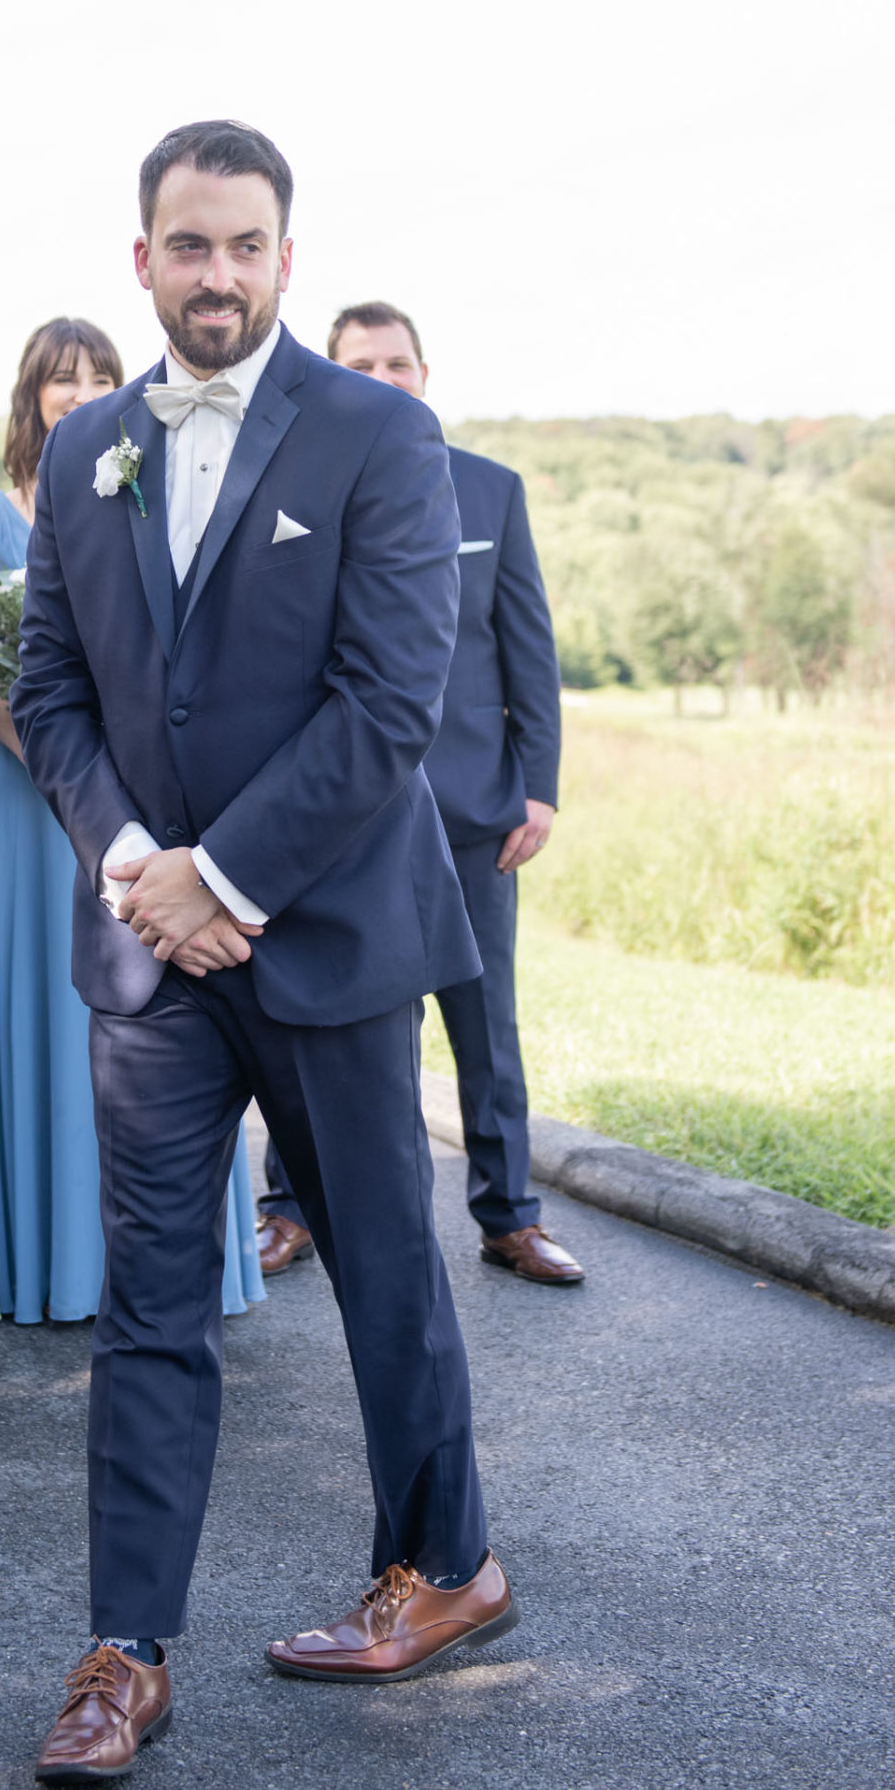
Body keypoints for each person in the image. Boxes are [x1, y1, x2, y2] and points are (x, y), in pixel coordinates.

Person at [17, 120, 513, 1786]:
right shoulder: (83, 451)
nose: (215, 272)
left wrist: (223, 875)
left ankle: (444, 1566)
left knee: (382, 1269)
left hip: (330, 939)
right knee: (149, 1300)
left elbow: (388, 702)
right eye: (188, 244)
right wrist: (135, 866)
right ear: (141, 258)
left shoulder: (379, 433)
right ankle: (124, 1653)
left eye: (244, 245)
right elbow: (53, 692)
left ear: (284, 259)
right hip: (149, 960)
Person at [257, 304, 583, 1286]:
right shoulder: (294, 491)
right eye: (360, 365)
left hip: (475, 811)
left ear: (424, 375)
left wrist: (538, 789)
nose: (383, 379)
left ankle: (508, 1216)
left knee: (485, 1026)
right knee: (320, 1018)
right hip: (341, 816)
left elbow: (528, 649)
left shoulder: (491, 489)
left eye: (397, 363)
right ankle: (289, 1208)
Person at [0, 319, 266, 1326]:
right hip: (38, 796)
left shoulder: (157, 476)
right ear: (32, 394)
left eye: (98, 372)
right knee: (64, 1024)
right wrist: (58, 763)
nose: (83, 389)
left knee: (166, 1026)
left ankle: (178, 1263)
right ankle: (54, 1262)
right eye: (62, 377)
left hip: (147, 799)